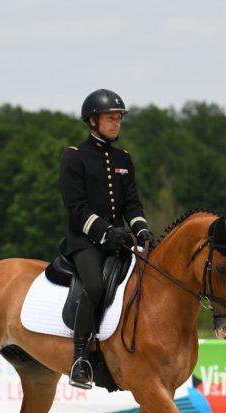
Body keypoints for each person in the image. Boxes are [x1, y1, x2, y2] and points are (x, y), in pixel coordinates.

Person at [59, 88, 156, 389]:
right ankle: (80, 359)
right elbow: (77, 208)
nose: (116, 123)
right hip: (86, 242)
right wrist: (105, 231)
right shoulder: (75, 157)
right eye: (110, 118)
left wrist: (140, 228)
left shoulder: (123, 158)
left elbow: (131, 204)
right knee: (96, 285)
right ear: (92, 121)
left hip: (119, 241)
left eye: (119, 119)